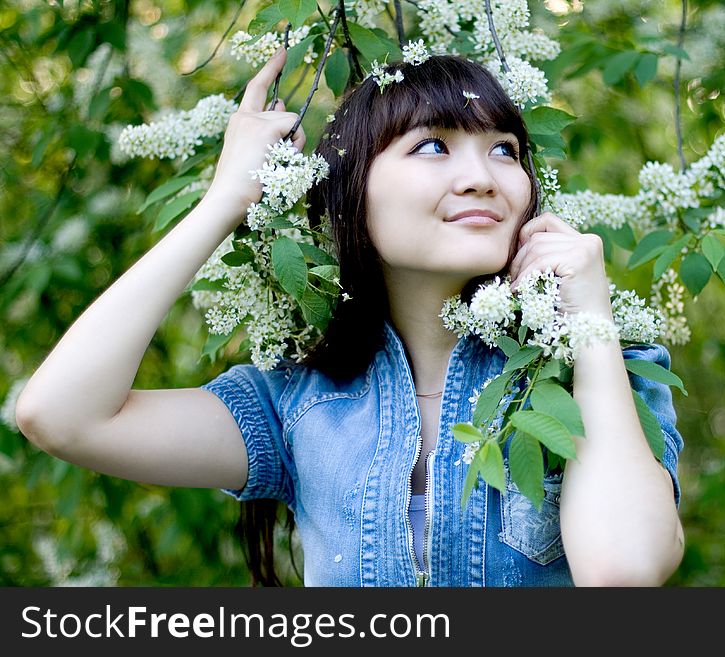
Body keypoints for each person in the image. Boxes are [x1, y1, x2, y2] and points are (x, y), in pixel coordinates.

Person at [16, 48, 685, 587]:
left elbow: (622, 570)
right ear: (352, 191)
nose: (485, 176)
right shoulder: (297, 402)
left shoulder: (605, 372)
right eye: (434, 145)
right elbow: (60, 415)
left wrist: (589, 323)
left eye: (505, 149)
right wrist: (224, 202)